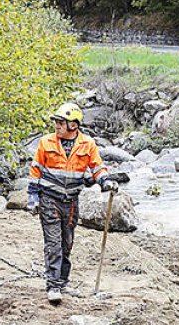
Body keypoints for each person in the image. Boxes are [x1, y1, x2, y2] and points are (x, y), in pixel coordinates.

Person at [27, 102, 119, 303]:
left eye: (61, 122)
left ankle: (63, 281)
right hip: (49, 198)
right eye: (57, 122)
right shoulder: (46, 143)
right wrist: (33, 198)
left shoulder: (88, 145)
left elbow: (97, 168)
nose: (57, 125)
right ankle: (53, 285)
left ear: (74, 126)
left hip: (71, 202)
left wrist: (106, 181)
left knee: (67, 243)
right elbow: (35, 171)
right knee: (53, 242)